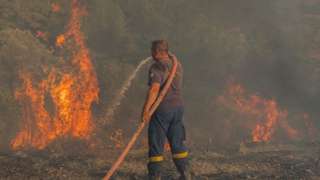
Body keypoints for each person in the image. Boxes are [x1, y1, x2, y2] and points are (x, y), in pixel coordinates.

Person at [142, 40, 191, 180]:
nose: (150, 54)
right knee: (177, 141)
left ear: (157, 52)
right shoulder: (177, 64)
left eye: (152, 51)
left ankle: (155, 176)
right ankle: (185, 173)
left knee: (156, 142)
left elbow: (154, 89)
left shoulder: (157, 67)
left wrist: (146, 110)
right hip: (178, 108)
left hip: (162, 109)